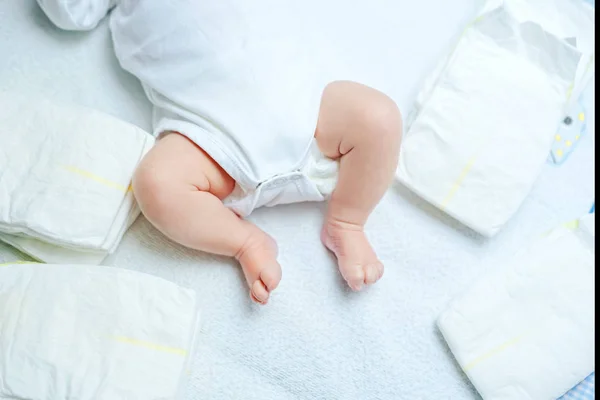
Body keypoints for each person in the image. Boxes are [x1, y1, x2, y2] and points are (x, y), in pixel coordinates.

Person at [38, 0, 402, 304]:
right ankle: (243, 241)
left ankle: (347, 222)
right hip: (211, 138)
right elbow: (69, 12)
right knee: (156, 183)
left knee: (379, 118)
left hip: (308, 112)